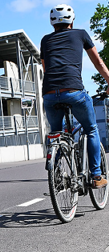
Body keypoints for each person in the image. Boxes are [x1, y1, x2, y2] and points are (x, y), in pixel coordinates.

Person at [40, 4, 109, 188]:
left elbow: (46, 69)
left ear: (52, 23)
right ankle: (96, 176)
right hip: (74, 91)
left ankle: (57, 172)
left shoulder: (45, 40)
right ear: (72, 21)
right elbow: (98, 62)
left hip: (49, 93)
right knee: (91, 128)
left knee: (57, 132)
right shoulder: (81, 34)